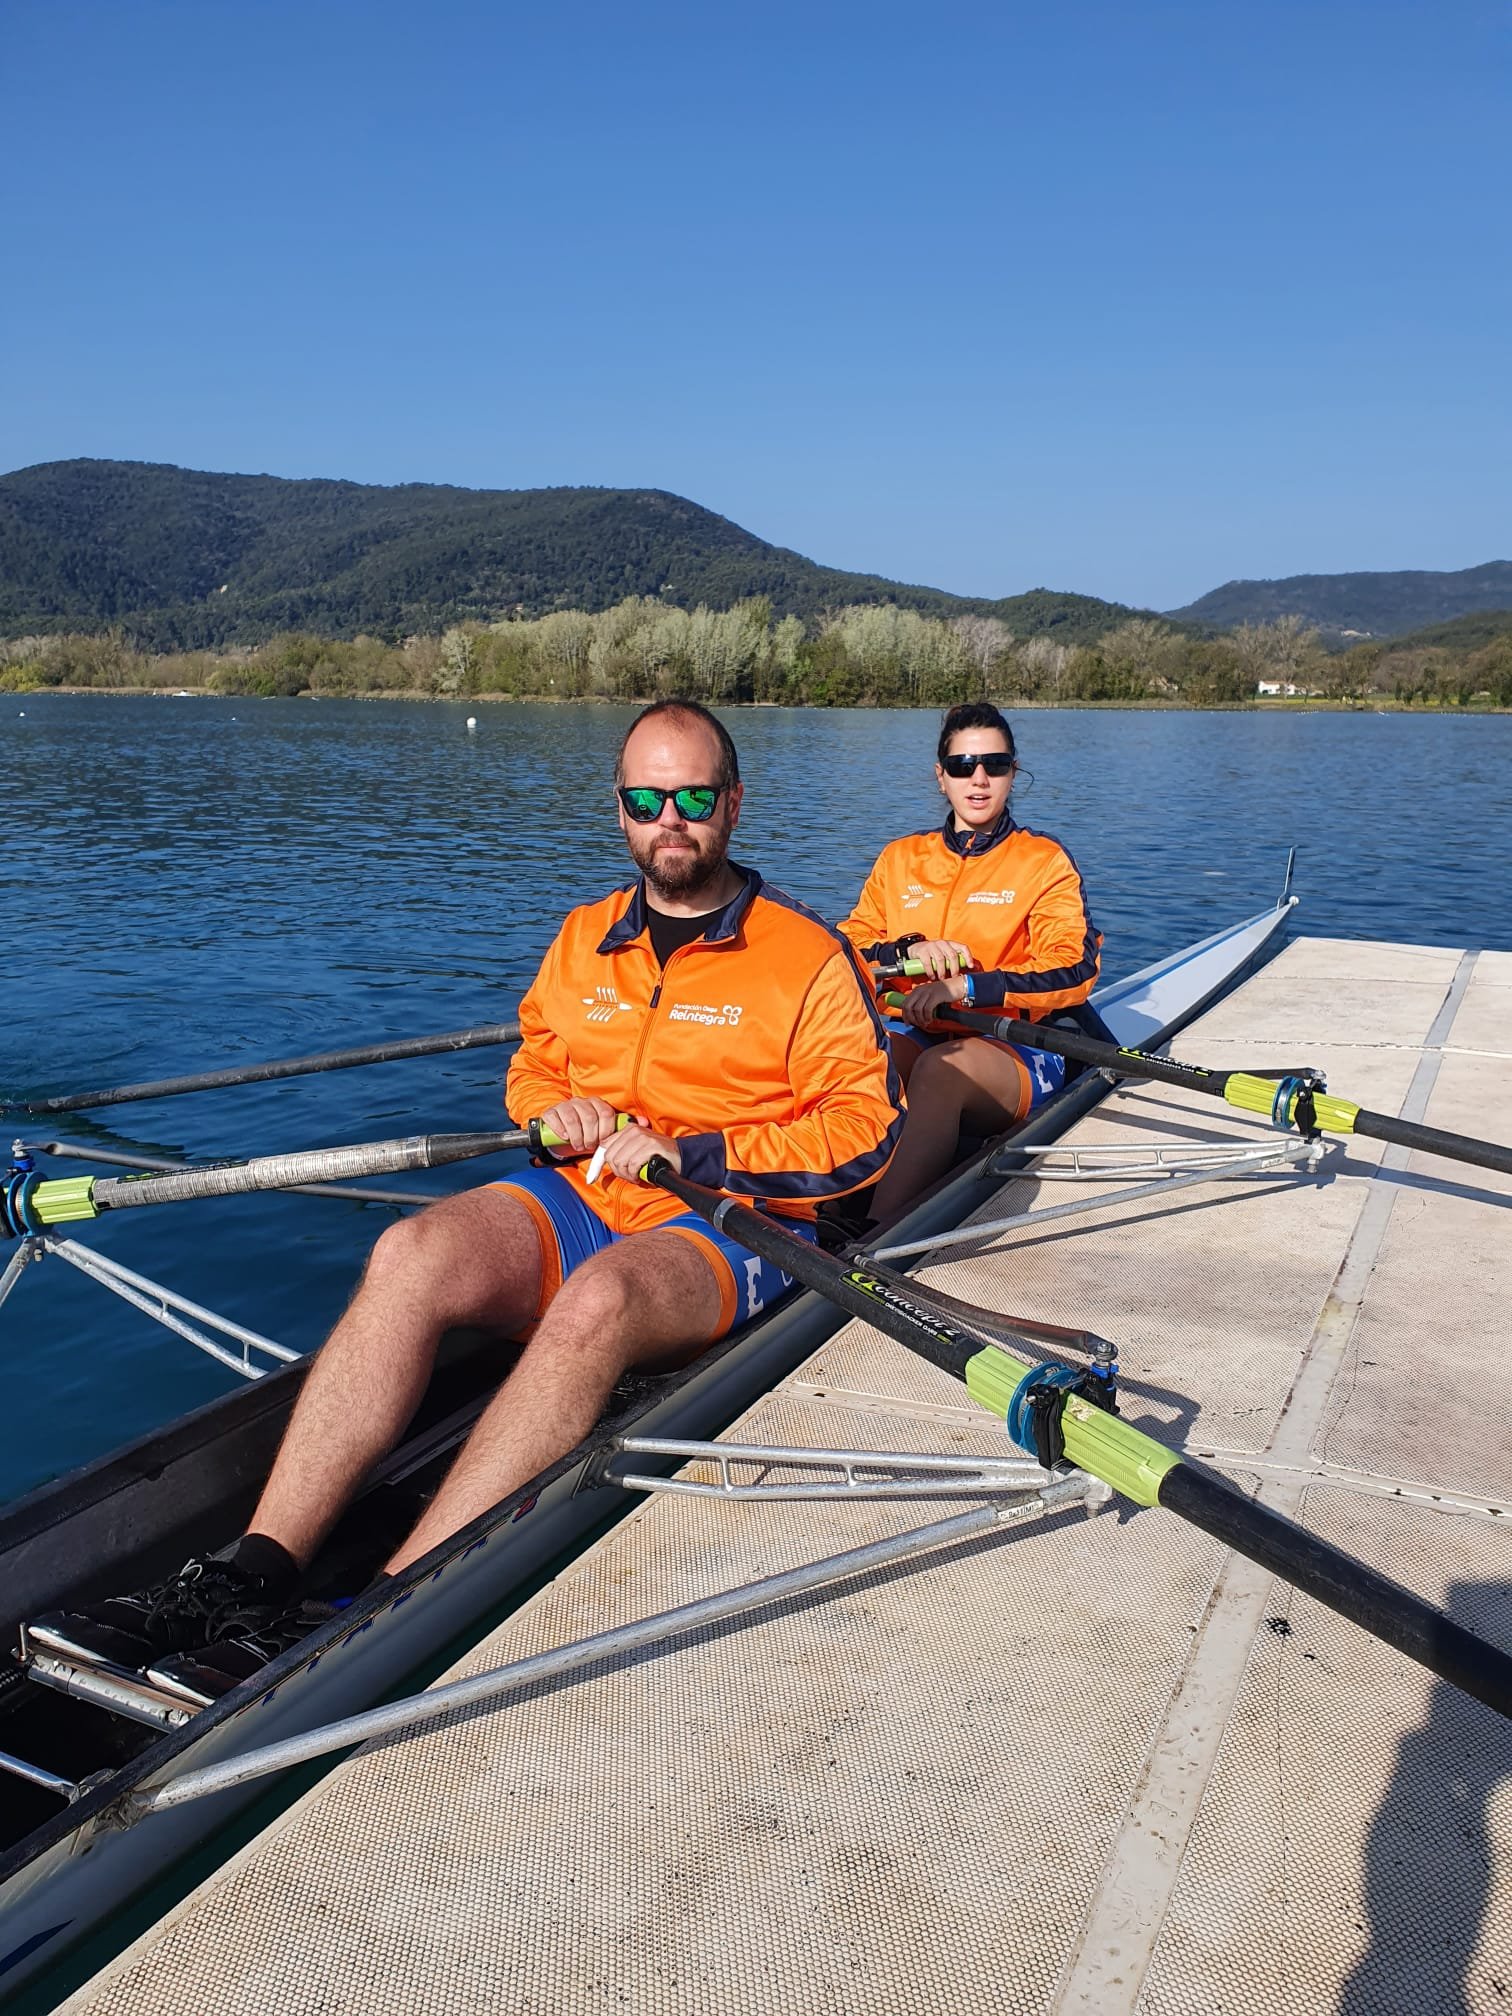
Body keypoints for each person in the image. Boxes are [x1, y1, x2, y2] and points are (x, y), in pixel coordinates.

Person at [35, 700, 904, 1698]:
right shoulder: (585, 937)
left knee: (597, 1305)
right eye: (647, 799)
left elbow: (866, 1131)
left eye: (694, 798)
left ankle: (382, 1606)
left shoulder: (808, 954)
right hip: (586, 1192)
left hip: (727, 1218)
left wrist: (700, 1149)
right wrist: (552, 1114)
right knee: (410, 1252)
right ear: (619, 808)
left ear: (734, 805)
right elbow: (534, 1068)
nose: (671, 819)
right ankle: (254, 1569)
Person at [838, 701, 1100, 1221]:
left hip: (1015, 1044)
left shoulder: (1042, 861)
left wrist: (967, 988)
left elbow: (1074, 968)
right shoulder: (900, 858)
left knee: (941, 1070)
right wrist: (905, 950)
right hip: (920, 1026)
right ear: (941, 777)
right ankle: (809, 1205)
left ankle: (869, 1235)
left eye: (994, 765)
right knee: (859, 1058)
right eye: (962, 766)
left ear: (1012, 772)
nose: (978, 779)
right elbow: (846, 949)